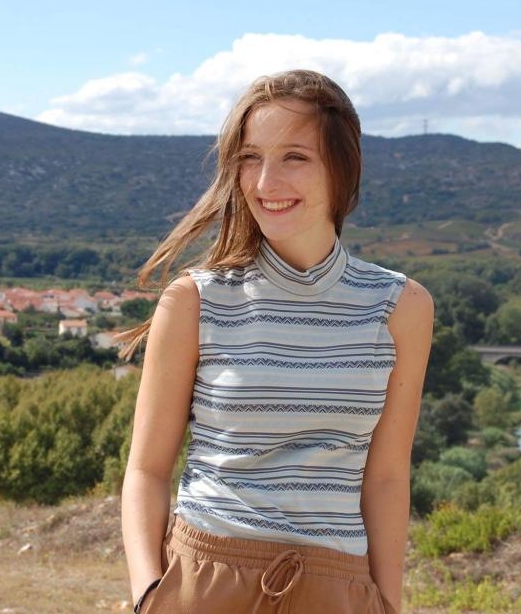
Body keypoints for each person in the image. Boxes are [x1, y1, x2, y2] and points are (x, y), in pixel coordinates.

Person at [119, 69, 433, 614]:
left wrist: (387, 605)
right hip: (205, 581)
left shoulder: (401, 307)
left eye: (294, 157)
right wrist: (150, 596)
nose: (266, 182)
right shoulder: (194, 301)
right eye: (250, 158)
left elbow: (385, 478)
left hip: (337, 590)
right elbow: (146, 470)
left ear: (342, 166)